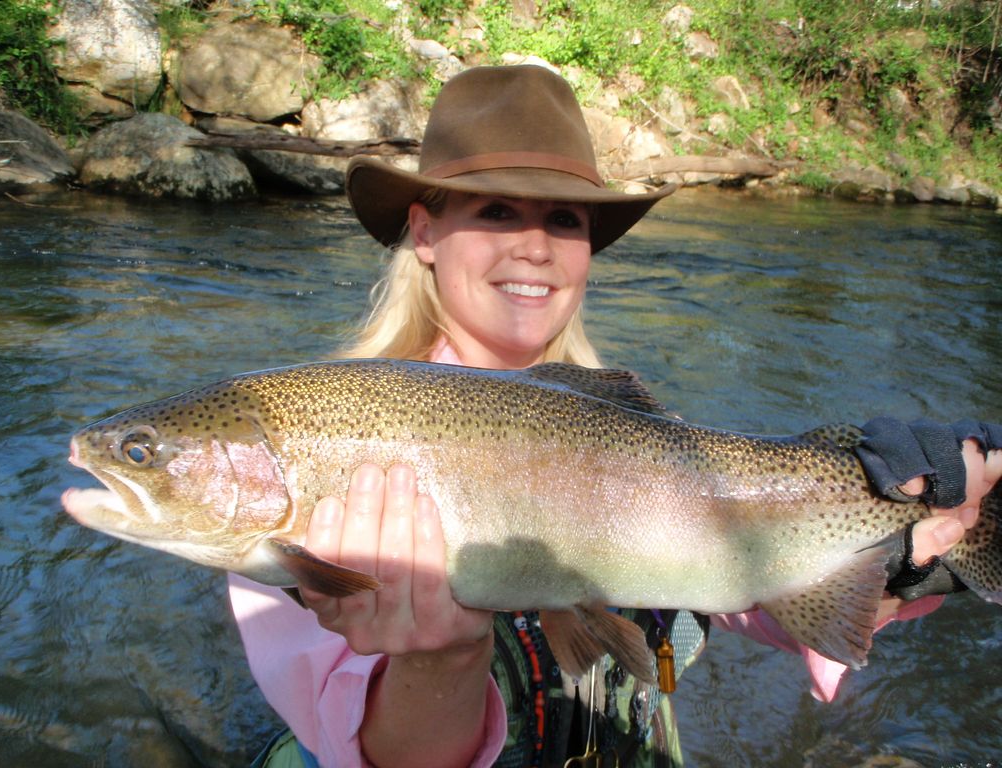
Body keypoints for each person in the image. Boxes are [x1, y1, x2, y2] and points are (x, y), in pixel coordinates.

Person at [230, 65, 1002, 768]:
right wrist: (439, 662)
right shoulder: (318, 448)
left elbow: (742, 590)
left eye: (565, 219)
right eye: (497, 211)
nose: (535, 247)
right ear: (425, 233)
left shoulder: (632, 429)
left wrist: (909, 553)